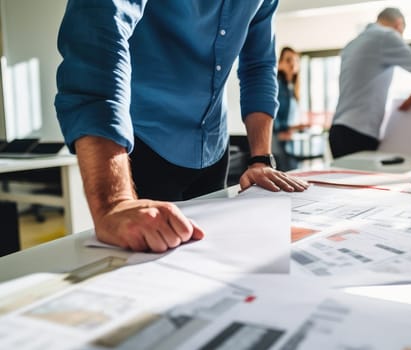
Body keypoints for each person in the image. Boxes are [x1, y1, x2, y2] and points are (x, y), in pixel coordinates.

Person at [55, 1, 309, 253]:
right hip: (142, 147)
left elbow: (258, 66)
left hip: (213, 149)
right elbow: (96, 32)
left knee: (211, 261)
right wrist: (114, 202)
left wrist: (260, 158)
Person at [329, 7, 411, 159]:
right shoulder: (386, 36)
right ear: (399, 25)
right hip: (359, 134)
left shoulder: (352, 44)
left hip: (338, 131)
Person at [273, 46, 303, 171]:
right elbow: (272, 112)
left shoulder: (291, 87)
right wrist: (281, 130)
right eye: (288, 60)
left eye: (295, 60)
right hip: (277, 138)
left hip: (287, 138)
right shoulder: (278, 84)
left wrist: (296, 127)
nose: (292, 63)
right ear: (279, 64)